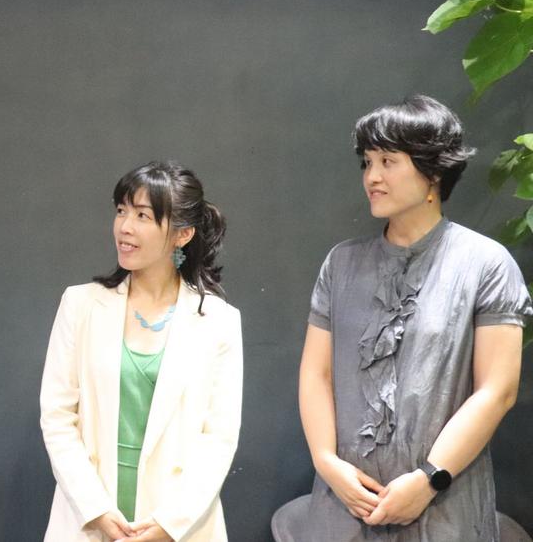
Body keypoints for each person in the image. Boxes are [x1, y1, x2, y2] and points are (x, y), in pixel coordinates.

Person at [297, 95, 529, 541]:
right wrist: (327, 464)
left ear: (433, 172)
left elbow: (496, 391)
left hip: (445, 505)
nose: (372, 176)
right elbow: (316, 373)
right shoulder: (341, 264)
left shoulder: (485, 263)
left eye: (388, 161)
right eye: (367, 162)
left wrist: (430, 478)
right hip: (344, 504)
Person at [40, 161, 243, 542]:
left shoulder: (218, 321)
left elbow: (219, 438)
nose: (125, 227)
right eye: (121, 211)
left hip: (179, 526)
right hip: (89, 520)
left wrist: (169, 524)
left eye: (143, 216)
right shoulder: (80, 305)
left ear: (182, 234)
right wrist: (96, 509)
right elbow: (57, 417)